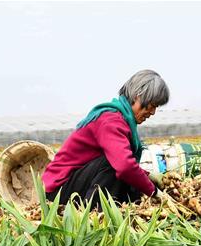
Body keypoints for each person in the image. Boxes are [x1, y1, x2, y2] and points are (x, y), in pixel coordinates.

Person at [43, 70, 170, 207]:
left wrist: (147, 176)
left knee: (132, 185)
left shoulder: (121, 119)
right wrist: (154, 192)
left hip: (77, 182)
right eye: (152, 105)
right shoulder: (110, 121)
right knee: (115, 165)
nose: (152, 112)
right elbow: (124, 166)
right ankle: (93, 213)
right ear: (138, 96)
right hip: (58, 191)